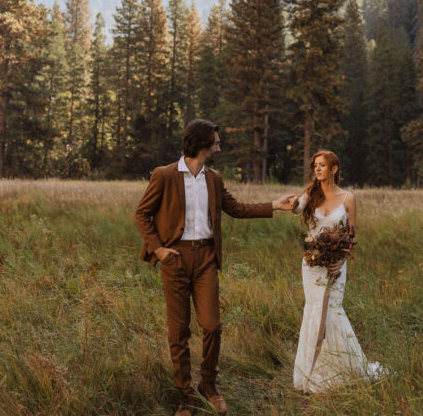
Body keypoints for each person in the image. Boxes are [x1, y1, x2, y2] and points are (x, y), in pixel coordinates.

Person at [135, 119, 295, 416]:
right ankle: (185, 395)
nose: (219, 146)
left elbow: (236, 209)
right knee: (178, 331)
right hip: (175, 259)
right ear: (202, 144)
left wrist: (276, 205)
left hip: (206, 258)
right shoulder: (164, 175)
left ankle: (208, 384)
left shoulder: (214, 178)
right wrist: (158, 249)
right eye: (216, 142)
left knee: (212, 326)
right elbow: (142, 214)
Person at [291, 150, 383, 393]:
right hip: (312, 264)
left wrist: (341, 261)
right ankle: (312, 371)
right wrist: (291, 202)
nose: (317, 169)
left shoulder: (348, 198)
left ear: (334, 169)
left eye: (322, 165)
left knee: (332, 310)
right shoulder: (311, 193)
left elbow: (351, 235)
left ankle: (343, 368)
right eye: (315, 166)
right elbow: (296, 209)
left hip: (335, 264)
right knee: (313, 310)